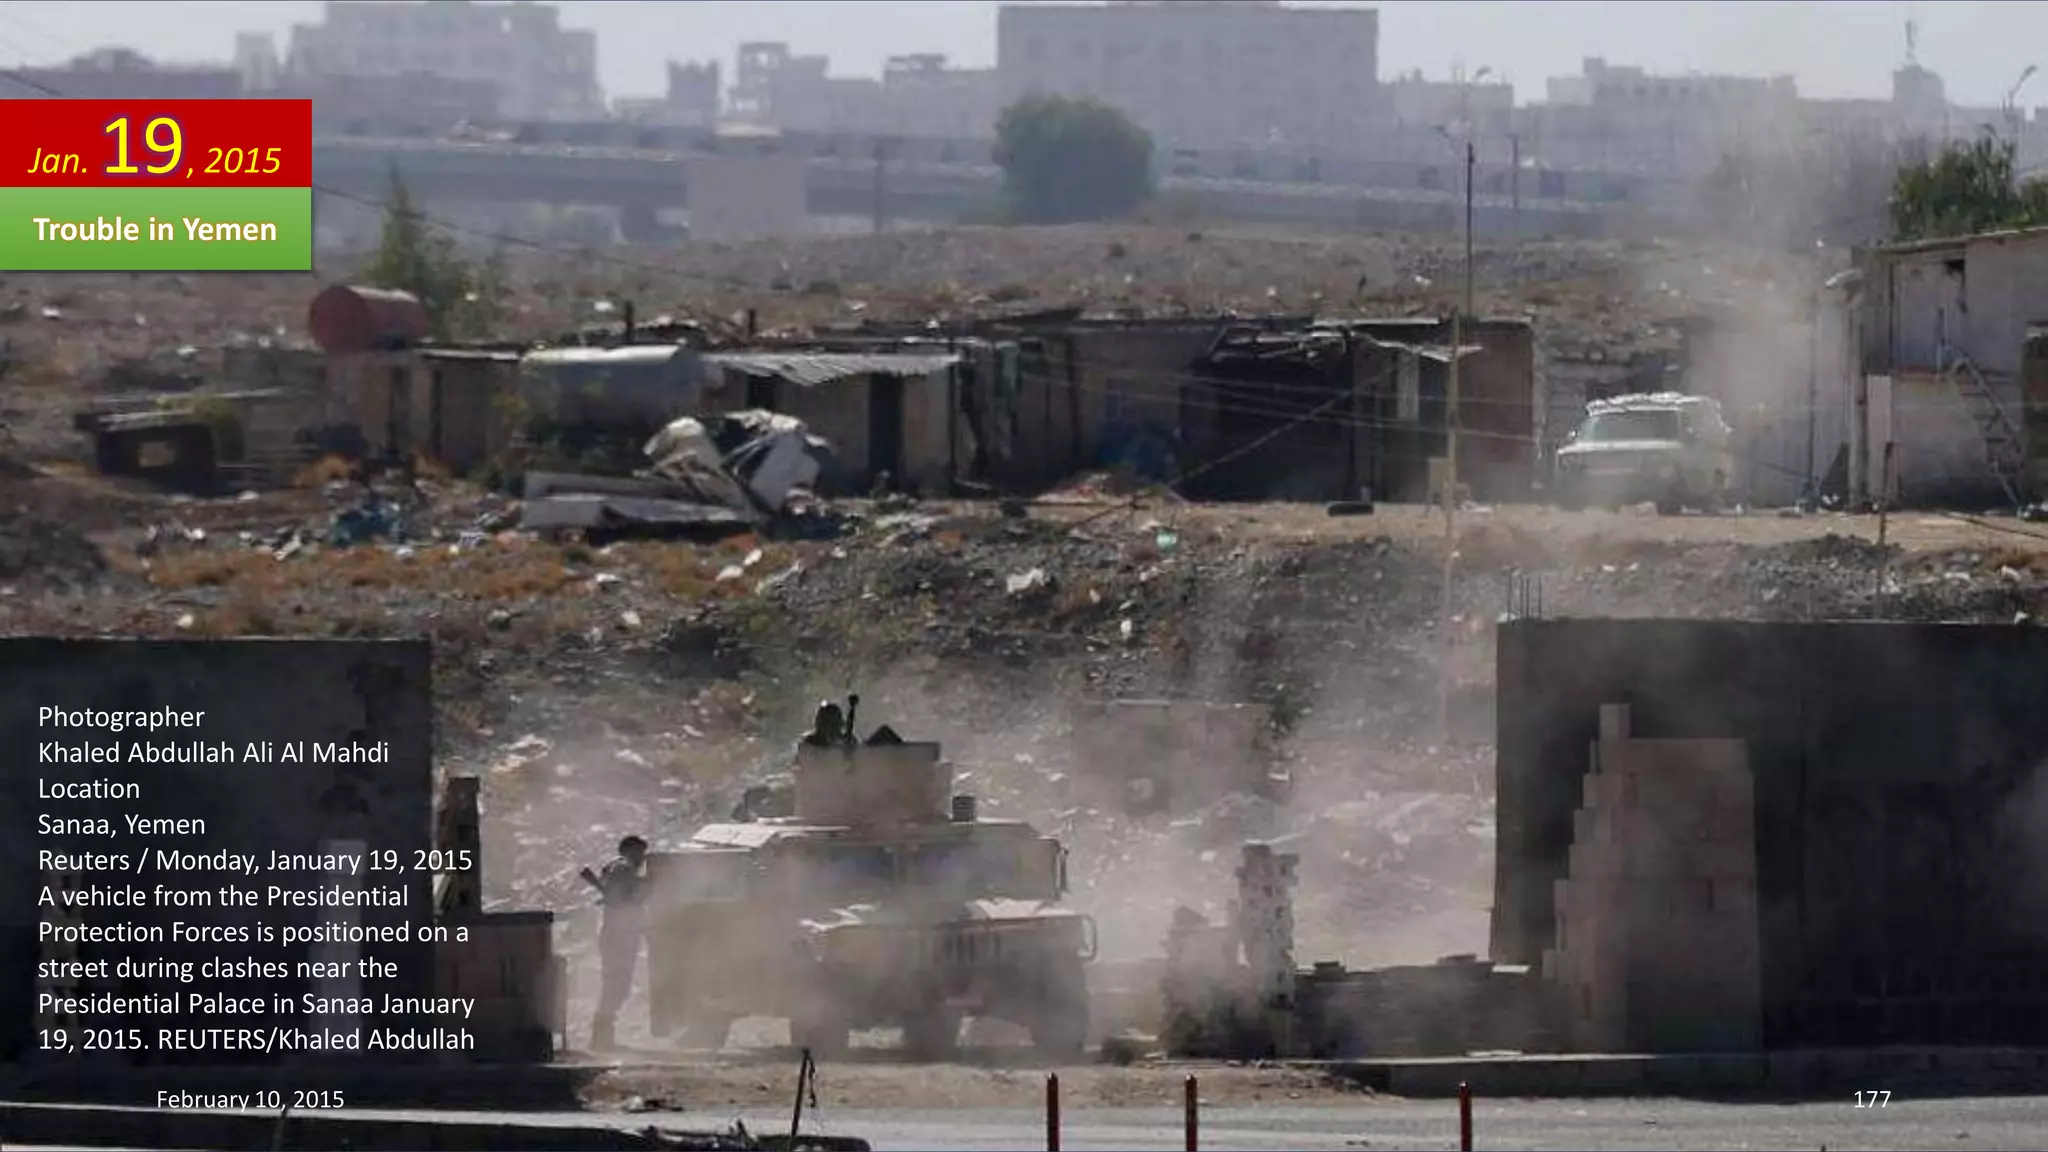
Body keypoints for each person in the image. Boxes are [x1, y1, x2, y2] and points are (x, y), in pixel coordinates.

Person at [579, 834, 650, 1051]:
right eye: (639, 853)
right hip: (618, 936)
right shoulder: (623, 868)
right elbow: (622, 898)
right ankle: (601, 1037)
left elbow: (614, 895)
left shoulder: (615, 867)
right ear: (628, 851)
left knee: (616, 984)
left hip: (617, 934)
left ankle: (602, 1036)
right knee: (617, 985)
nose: (642, 858)